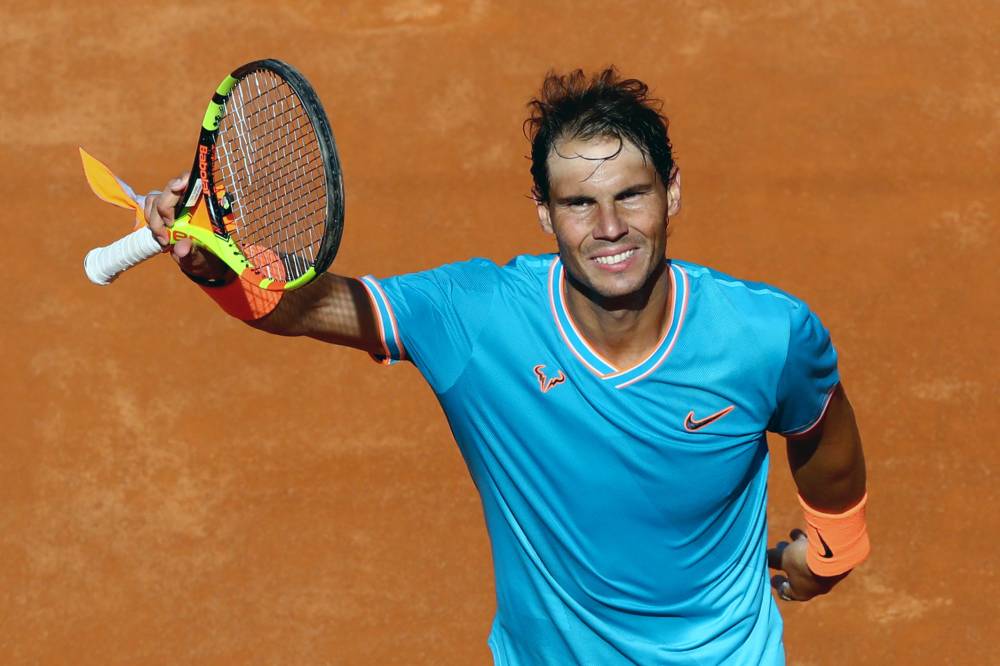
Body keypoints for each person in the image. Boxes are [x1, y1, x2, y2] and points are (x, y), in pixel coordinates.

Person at [142, 68, 870, 664]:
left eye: (632, 195)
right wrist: (216, 262)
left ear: (672, 192)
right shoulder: (478, 318)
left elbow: (819, 426)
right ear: (545, 214)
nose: (609, 227)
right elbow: (302, 308)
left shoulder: (764, 335)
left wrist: (836, 546)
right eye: (579, 203)